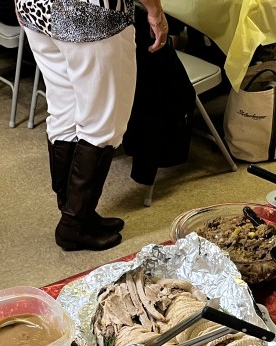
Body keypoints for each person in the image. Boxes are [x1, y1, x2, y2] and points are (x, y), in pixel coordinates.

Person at [16, 0, 168, 252]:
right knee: (103, 124)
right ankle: (73, 224)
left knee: (64, 111)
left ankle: (77, 212)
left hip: (36, 8)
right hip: (93, 14)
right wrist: (155, 11)